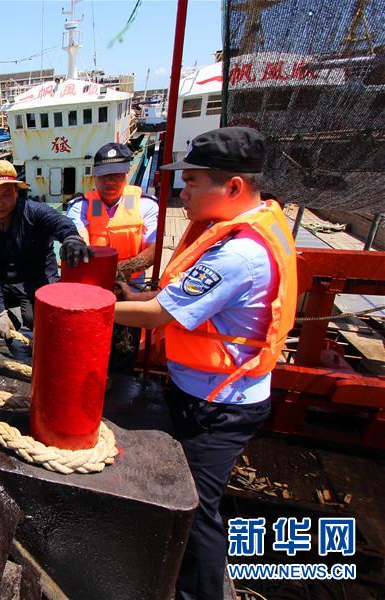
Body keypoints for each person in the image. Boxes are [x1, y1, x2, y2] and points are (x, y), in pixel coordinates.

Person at [113, 127, 297, 600]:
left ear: (233, 187)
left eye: (193, 182)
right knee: (196, 503)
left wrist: (89, 307)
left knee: (196, 511)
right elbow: (174, 300)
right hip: (208, 393)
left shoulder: (238, 253)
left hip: (219, 406)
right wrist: (131, 295)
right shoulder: (248, 228)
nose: (182, 192)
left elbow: (160, 314)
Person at [0, 159, 90, 340]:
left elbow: (60, 222)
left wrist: (71, 238)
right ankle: (10, 321)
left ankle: (27, 318)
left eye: (5, 195)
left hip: (36, 281)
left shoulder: (34, 211)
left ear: (16, 192)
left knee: (35, 320)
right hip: (7, 283)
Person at [65, 142, 159, 371]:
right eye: (104, 176)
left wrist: (123, 270)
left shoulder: (145, 205)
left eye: (116, 175)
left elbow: (153, 249)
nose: (110, 182)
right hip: (93, 289)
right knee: (88, 348)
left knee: (124, 349)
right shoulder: (81, 206)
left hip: (131, 290)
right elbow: (80, 239)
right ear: (95, 177)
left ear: (127, 173)